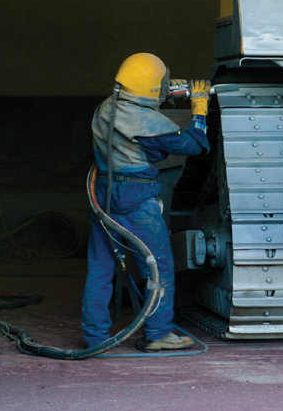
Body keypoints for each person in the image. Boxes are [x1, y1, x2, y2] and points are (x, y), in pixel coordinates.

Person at [81, 52, 210, 351]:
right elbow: (195, 145)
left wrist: (162, 94)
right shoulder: (149, 123)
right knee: (158, 267)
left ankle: (95, 338)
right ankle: (158, 334)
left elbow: (140, 137)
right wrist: (199, 107)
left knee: (100, 269)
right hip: (136, 198)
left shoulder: (105, 108)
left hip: (102, 194)